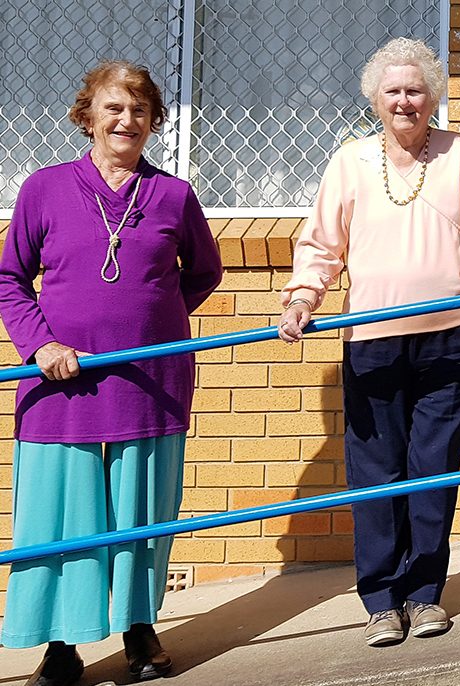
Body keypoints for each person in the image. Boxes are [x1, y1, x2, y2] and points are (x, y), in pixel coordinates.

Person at [277, 37, 460, 647]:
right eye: (394, 91)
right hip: (374, 341)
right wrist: (306, 295)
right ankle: (381, 599)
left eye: (416, 90)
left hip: (450, 337)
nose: (405, 101)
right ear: (375, 100)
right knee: (377, 470)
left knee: (432, 467)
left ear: (432, 98)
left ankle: (425, 594)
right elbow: (322, 244)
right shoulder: (350, 162)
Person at [0, 61, 223, 684]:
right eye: (113, 108)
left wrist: (152, 327)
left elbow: (203, 273)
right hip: (58, 385)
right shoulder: (44, 188)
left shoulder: (174, 195)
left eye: (140, 110)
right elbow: (9, 279)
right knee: (62, 516)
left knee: (140, 514)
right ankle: (62, 646)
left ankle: (138, 629)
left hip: (148, 382)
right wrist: (41, 345)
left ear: (154, 121)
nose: (127, 120)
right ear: (88, 115)